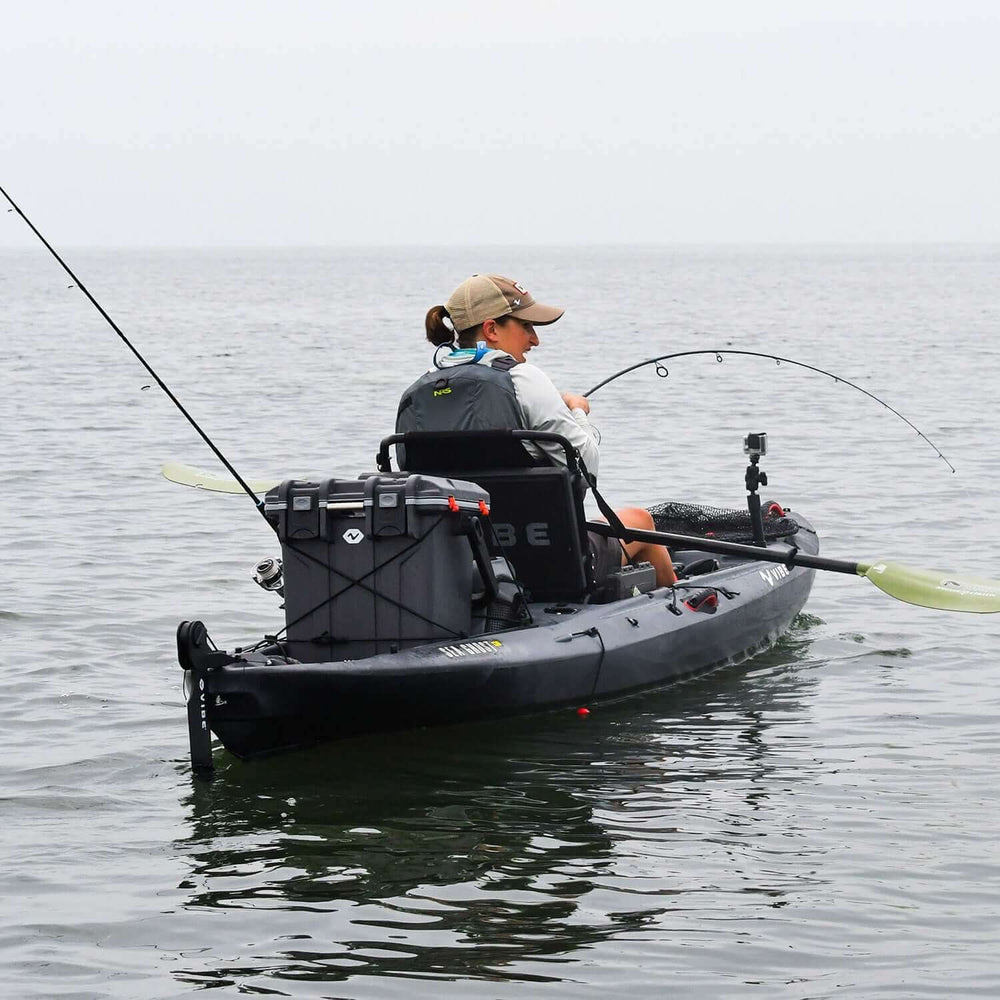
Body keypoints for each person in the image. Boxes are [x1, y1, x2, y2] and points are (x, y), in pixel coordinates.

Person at [397, 273, 676, 589]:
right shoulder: (522, 378)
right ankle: (686, 611)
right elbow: (586, 469)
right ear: (491, 329)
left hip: (460, 564)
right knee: (640, 521)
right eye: (526, 326)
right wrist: (577, 411)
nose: (535, 339)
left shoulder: (417, 392)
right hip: (553, 559)